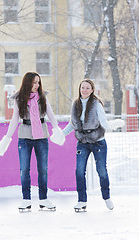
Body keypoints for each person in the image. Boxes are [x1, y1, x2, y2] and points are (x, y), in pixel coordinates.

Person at [0, 72, 65, 211]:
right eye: (34, 82)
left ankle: (43, 199)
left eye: (38, 82)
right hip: (25, 137)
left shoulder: (42, 97)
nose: (37, 85)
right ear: (27, 83)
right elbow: (15, 120)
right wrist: (7, 138)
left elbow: (51, 115)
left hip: (41, 137)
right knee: (24, 170)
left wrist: (57, 129)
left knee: (43, 170)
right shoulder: (19, 99)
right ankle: (26, 200)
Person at [51, 78, 115, 211]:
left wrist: (111, 126)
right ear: (79, 89)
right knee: (79, 171)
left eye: (87, 88)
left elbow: (103, 121)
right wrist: (61, 134)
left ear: (92, 90)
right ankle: (82, 201)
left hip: (98, 141)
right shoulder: (75, 104)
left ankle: (107, 197)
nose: (84, 90)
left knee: (101, 171)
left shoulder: (96, 104)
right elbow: (72, 124)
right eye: (82, 87)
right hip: (83, 142)